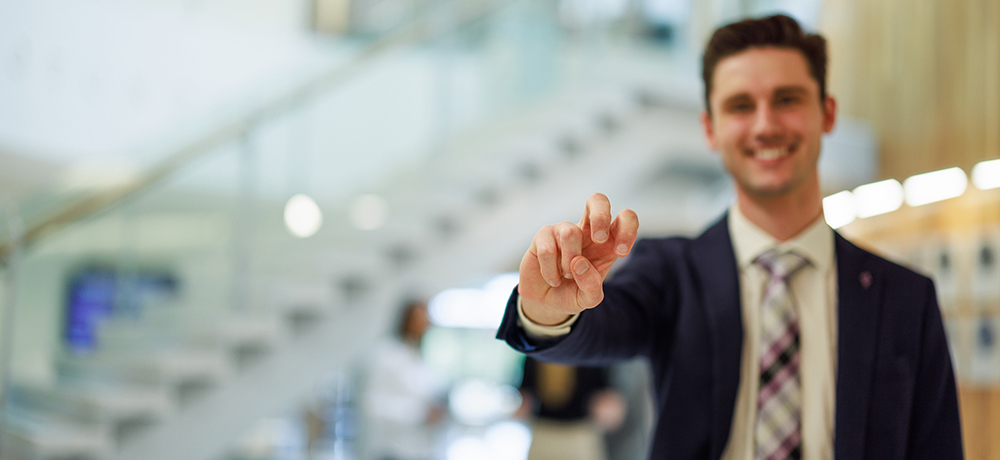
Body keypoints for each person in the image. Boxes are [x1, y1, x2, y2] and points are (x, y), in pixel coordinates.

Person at [496, 14, 963, 460]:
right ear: (709, 129)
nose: (765, 125)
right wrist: (547, 313)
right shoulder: (672, 272)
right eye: (740, 106)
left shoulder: (906, 298)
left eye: (787, 99)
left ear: (827, 113)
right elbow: (604, 324)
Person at [361, 300, 448, 460]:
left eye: (426, 319)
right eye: (419, 319)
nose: (424, 324)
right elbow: (374, 405)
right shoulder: (387, 354)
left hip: (423, 450)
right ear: (406, 320)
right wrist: (419, 413)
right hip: (393, 450)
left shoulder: (419, 357)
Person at [516, 357, 625, 460]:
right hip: (542, 430)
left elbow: (608, 394)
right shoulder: (534, 351)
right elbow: (526, 390)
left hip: (580, 432)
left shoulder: (592, 348)